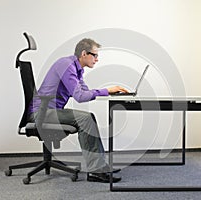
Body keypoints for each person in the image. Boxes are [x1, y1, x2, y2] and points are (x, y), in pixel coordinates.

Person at [28, 38, 128, 183]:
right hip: (41, 113)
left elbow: (85, 92)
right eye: (94, 55)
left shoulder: (76, 68)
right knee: (85, 118)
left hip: (51, 111)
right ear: (83, 53)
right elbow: (80, 97)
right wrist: (106, 90)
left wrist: (109, 92)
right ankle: (96, 171)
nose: (97, 59)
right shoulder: (66, 65)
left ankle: (100, 167)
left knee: (89, 118)